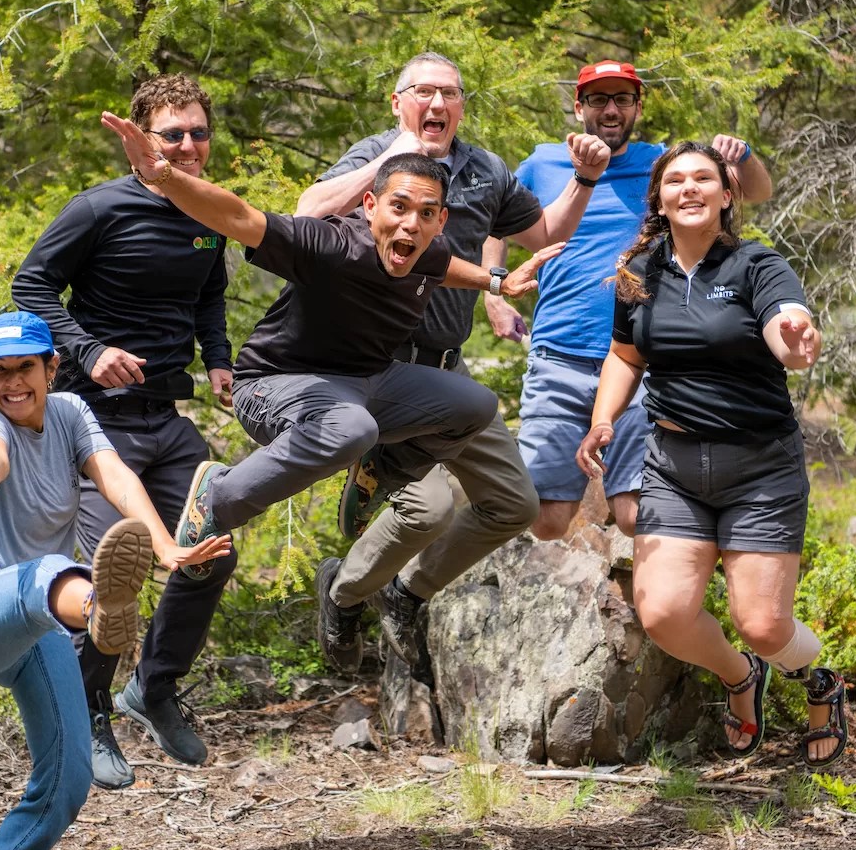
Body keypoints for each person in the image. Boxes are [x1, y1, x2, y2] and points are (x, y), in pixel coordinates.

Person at [96, 113, 560, 609]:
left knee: (474, 403)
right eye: (398, 207)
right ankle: (219, 496)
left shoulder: (425, 247)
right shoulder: (331, 244)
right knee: (351, 427)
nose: (410, 224)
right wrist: (165, 175)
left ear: (440, 220)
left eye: (427, 214)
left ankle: (380, 473)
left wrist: (496, 283)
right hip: (274, 385)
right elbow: (236, 217)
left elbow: (443, 267)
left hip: (364, 381)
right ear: (370, 205)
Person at [294, 52, 600, 673]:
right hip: (372, 369)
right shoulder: (373, 155)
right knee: (428, 509)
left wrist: (584, 180)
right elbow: (310, 213)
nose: (438, 105)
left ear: (461, 105)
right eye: (424, 93)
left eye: (450, 94)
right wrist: (393, 160)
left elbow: (542, 234)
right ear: (398, 102)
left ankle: (406, 593)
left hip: (445, 372)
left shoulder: (483, 169)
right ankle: (345, 593)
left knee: (514, 505)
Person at [0, 311, 229, 850]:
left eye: (24, 369)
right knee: (48, 570)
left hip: (38, 625)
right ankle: (100, 609)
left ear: (51, 368)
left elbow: (114, 474)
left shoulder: (70, 412)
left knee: (67, 780)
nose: (12, 383)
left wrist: (165, 544)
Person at [575, 141, 845, 765]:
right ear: (660, 199)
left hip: (760, 469)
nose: (690, 188)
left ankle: (821, 681)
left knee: (765, 625)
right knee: (665, 615)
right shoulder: (640, 270)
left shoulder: (756, 264)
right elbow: (625, 354)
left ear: (728, 195)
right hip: (673, 466)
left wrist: (798, 341)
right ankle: (739, 677)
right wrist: (602, 418)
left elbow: (788, 325)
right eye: (676, 181)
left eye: (705, 178)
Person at [11, 74, 237, 788]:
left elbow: (210, 297)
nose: (189, 145)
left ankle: (156, 686)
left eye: (198, 132)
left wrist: (221, 361)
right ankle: (90, 708)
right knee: (116, 571)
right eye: (173, 133)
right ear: (141, 137)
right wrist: (88, 350)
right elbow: (32, 284)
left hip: (168, 419)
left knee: (213, 549)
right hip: (92, 420)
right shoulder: (100, 209)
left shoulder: (206, 215)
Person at [496, 60, 774, 542]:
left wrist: (743, 155)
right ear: (579, 106)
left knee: (635, 513)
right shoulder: (542, 163)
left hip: (640, 357)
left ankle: (671, 598)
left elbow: (755, 191)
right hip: (558, 354)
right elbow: (494, 217)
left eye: (622, 99)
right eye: (599, 99)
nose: (611, 109)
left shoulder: (660, 164)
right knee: (545, 520)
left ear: (637, 107)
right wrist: (495, 290)